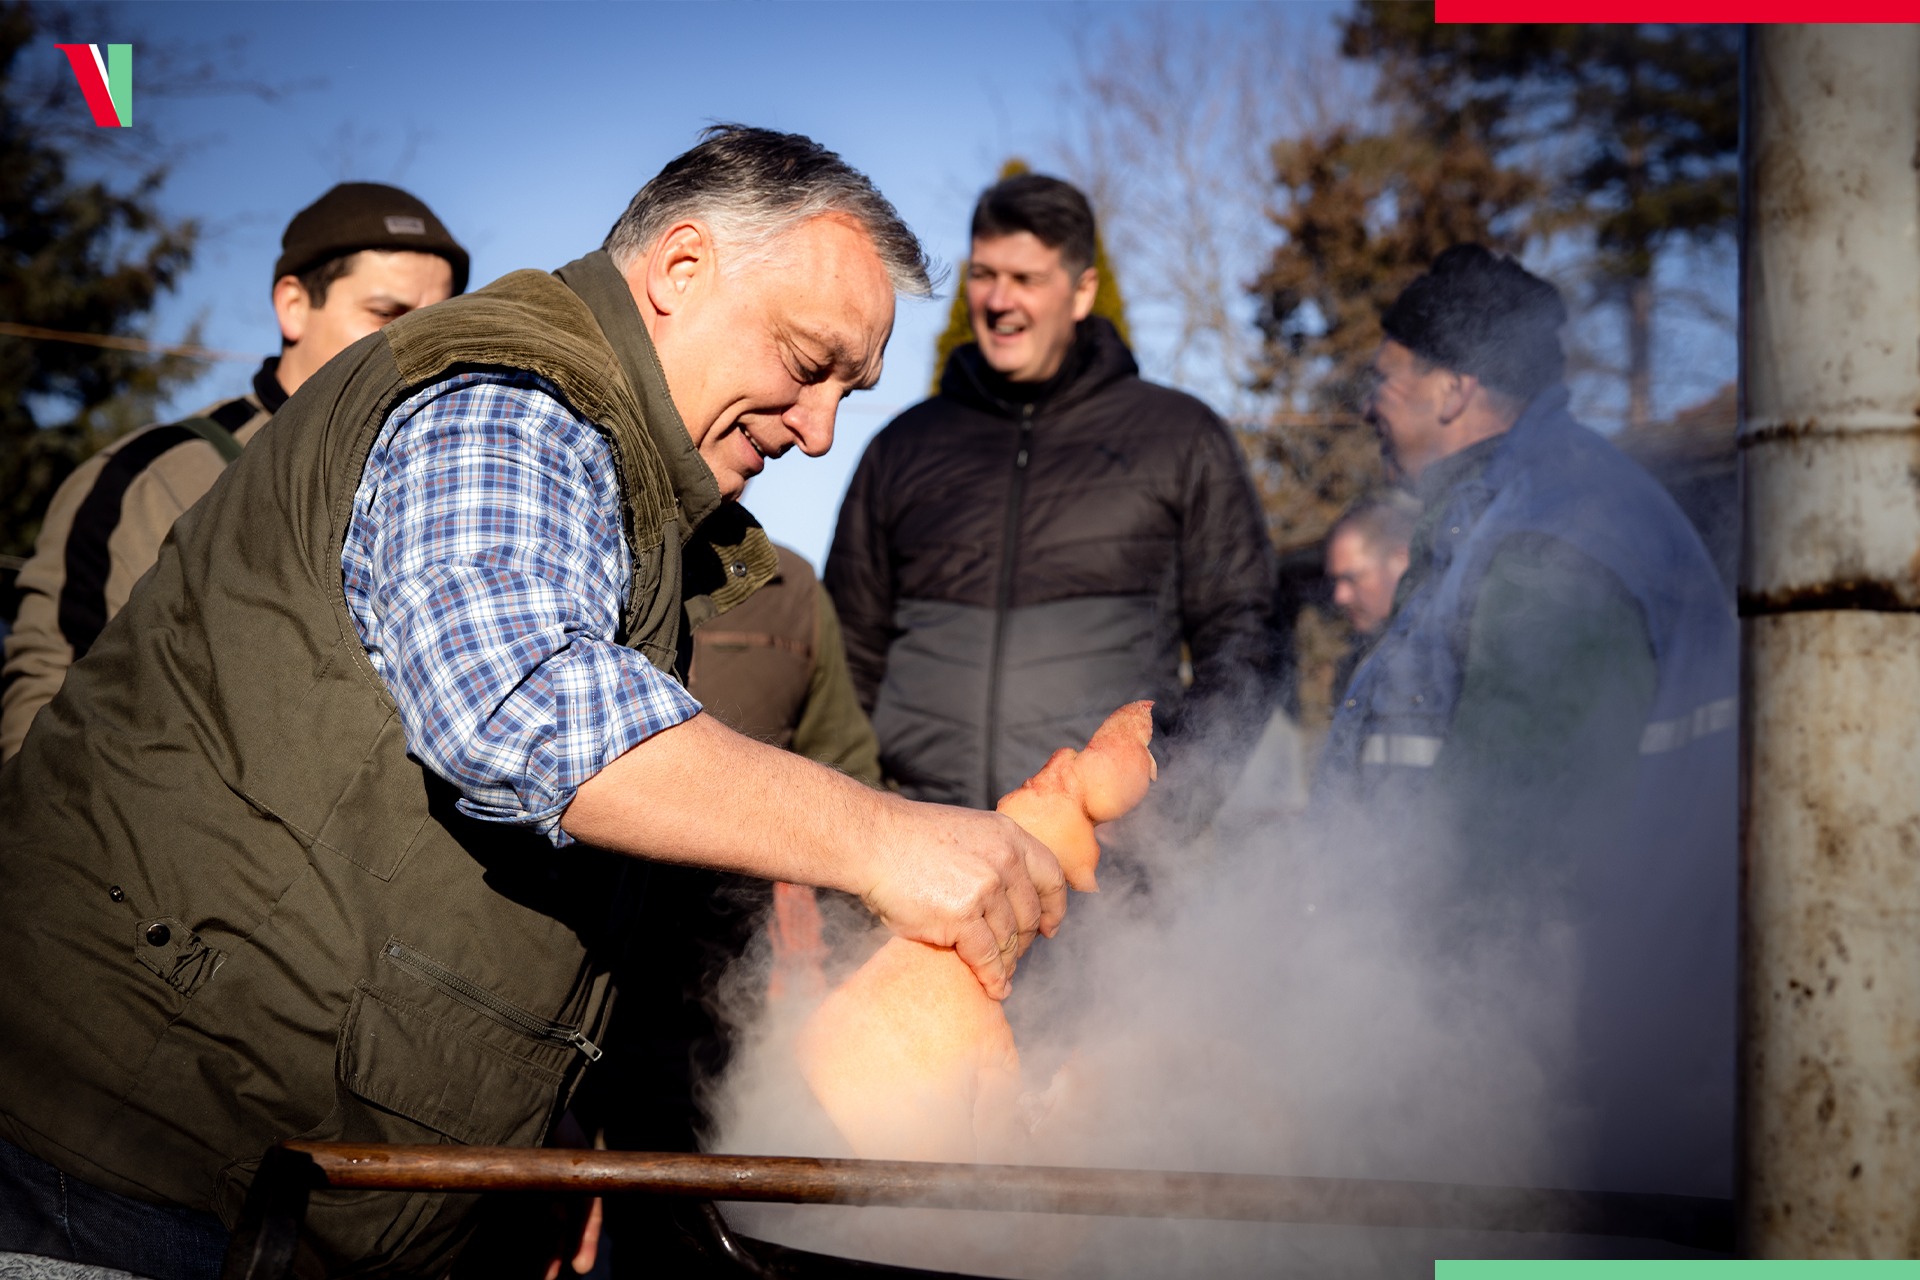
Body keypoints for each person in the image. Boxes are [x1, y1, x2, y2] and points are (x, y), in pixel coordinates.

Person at [0, 126, 1064, 1279]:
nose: (819, 430)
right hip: (129, 1174)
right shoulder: (513, 395)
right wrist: (879, 834)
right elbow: (515, 701)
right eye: (810, 363)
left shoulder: (631, 480)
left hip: (286, 1182)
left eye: (848, 392)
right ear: (682, 268)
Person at [1312, 245, 1737, 1199]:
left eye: (1384, 379)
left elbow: (1509, 848)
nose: (1367, 406)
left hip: (1569, 1079)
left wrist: (1378, 1032)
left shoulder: (1557, 535)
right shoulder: (1495, 519)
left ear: (1455, 389)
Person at [825, 173, 1273, 857]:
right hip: (921, 862)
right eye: (984, 275)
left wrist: (1168, 807)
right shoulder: (903, 448)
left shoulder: (1180, 438)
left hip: (1103, 873)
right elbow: (845, 659)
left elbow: (1246, 642)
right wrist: (860, 833)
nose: (999, 301)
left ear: (1083, 291)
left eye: (1026, 278)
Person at [0, 182, 469, 760]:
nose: (416, 346)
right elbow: (48, 716)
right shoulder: (152, 478)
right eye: (385, 313)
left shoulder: (458, 479)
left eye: (437, 322)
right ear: (293, 305)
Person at [1323, 491, 1417, 699]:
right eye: (1335, 581)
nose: (1340, 596)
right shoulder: (1357, 663)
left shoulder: (1442, 652)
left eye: (1352, 578)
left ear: (1401, 561)